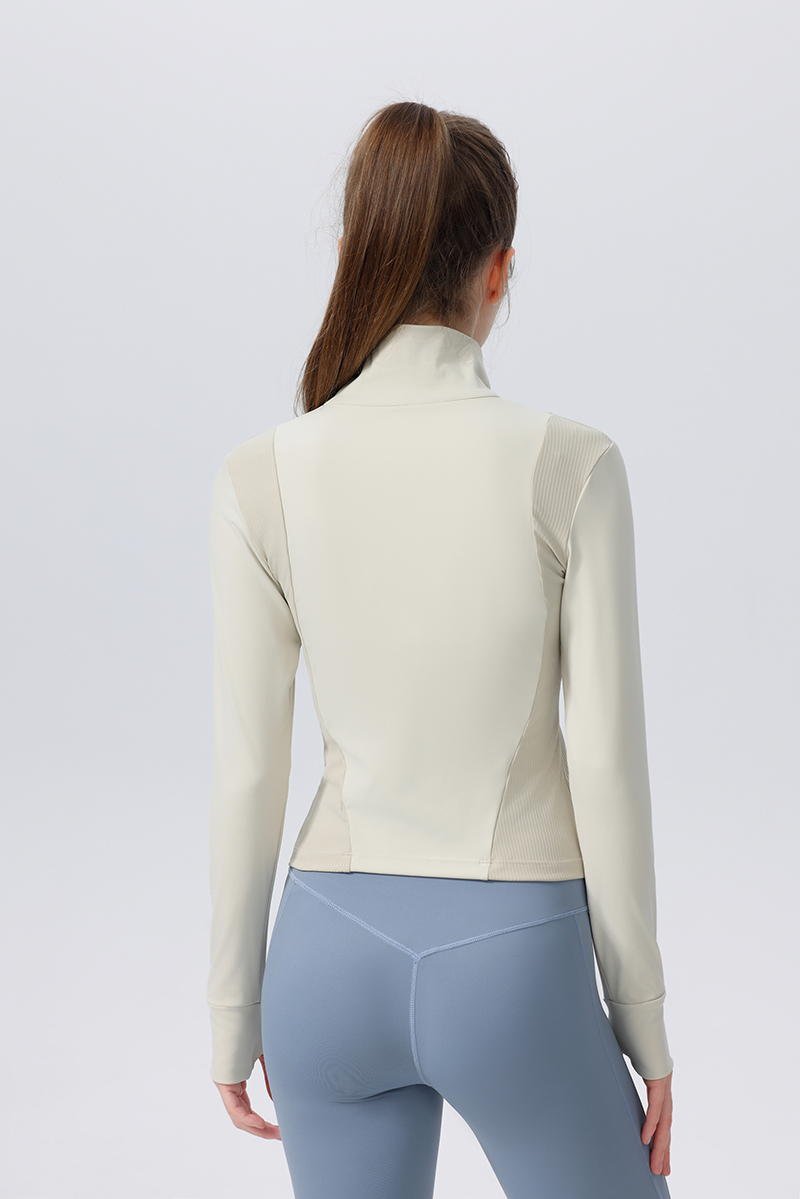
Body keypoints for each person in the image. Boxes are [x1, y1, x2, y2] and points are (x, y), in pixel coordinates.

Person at [206, 99, 675, 1198]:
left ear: (349, 253)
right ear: (498, 271)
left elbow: (247, 773)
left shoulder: (257, 475)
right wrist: (643, 1020)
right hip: (513, 967)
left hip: (321, 960)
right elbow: (605, 764)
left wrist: (231, 1012)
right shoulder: (571, 466)